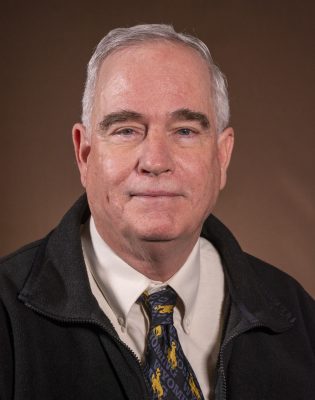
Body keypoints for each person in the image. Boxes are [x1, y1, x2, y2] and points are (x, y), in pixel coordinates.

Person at [0, 24, 314, 400]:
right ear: (84, 154)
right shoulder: (6, 317)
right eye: (126, 130)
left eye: (184, 131)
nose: (155, 161)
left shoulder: (298, 318)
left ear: (222, 156)